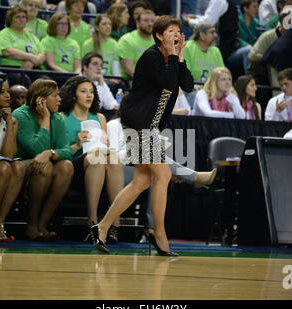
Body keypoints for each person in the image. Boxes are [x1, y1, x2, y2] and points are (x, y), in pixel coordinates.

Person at [87, 15, 194, 256]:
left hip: (151, 125)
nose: (176, 35)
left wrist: (181, 56)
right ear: (158, 35)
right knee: (163, 174)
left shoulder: (175, 58)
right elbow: (169, 83)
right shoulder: (151, 57)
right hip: (139, 122)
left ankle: (102, 227)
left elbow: (187, 85)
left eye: (178, 31)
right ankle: (159, 234)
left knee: (142, 181)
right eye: (170, 31)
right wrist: (174, 57)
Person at [107, 92, 217, 233]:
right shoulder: (114, 124)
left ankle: (152, 229)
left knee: (156, 173)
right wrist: (138, 152)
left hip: (143, 169)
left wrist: (165, 169)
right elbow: (113, 157)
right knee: (152, 159)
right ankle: (193, 177)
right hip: (120, 172)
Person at [59, 75, 124, 244]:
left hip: (98, 162)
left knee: (113, 158)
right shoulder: (62, 117)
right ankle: (93, 221)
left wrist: (106, 143)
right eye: (83, 91)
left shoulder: (100, 117)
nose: (89, 95)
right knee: (97, 157)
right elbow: (60, 150)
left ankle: (114, 223)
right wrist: (77, 143)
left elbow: (106, 148)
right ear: (74, 95)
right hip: (73, 167)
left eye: (91, 92)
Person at [12, 78, 74, 240]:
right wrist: (45, 119)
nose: (60, 99)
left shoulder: (58, 118)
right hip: (19, 166)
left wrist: (51, 153)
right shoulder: (20, 114)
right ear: (41, 99)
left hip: (46, 164)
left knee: (66, 166)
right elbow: (36, 149)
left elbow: (67, 151)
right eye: (55, 95)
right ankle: (31, 224)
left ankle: (42, 223)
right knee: (45, 167)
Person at [0, 76, 25, 242]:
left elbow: (9, 154)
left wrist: (10, 121)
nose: (8, 95)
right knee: (4, 167)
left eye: (7, 91)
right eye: (2, 92)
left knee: (18, 167)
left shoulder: (12, 120)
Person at [0, 5, 45, 85]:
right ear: (10, 19)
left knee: (46, 81)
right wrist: (31, 57)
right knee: (24, 81)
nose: (21, 20)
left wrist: (32, 62)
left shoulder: (31, 35)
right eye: (17, 17)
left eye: (24, 17)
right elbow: (6, 51)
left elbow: (43, 54)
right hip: (12, 69)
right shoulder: (5, 33)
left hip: (33, 68)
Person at [183, 0, 239, 64]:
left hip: (222, 48)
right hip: (229, 45)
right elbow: (214, 17)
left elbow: (207, 23)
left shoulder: (219, 1)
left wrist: (189, 22)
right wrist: (196, 17)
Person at [182, 22, 224, 107]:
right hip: (192, 89)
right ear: (202, 35)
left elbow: (223, 74)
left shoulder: (216, 50)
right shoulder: (188, 47)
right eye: (212, 32)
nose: (215, 35)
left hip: (212, 89)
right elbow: (185, 74)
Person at [117, 9, 156, 80]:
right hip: (134, 81)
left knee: (172, 89)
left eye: (153, 21)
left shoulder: (158, 40)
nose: (150, 24)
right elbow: (129, 70)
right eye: (146, 20)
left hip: (155, 82)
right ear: (137, 23)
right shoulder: (127, 40)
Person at [227, 0, 262, 74]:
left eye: (257, 7)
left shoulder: (256, 22)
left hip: (252, 51)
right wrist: (246, 45)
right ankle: (250, 78)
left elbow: (261, 37)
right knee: (248, 50)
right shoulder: (236, 21)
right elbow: (235, 38)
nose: (257, 10)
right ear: (245, 8)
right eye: (254, 7)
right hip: (234, 53)